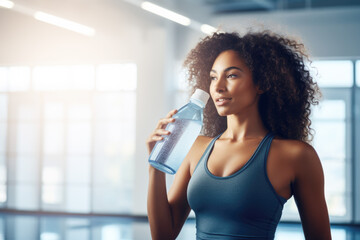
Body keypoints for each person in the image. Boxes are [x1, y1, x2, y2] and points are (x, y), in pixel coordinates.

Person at [146, 30, 332, 240]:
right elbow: (163, 236)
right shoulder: (197, 147)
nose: (218, 87)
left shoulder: (296, 155)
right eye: (213, 77)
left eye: (231, 75)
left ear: (262, 83)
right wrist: (155, 167)